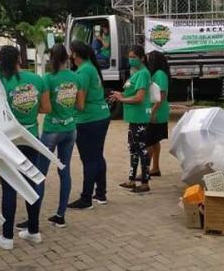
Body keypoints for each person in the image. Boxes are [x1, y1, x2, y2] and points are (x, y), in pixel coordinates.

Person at [0, 45, 49, 250]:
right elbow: (46, 108)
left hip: (7, 140)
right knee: (30, 183)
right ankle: (34, 231)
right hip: (31, 138)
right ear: (19, 58)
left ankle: (7, 237)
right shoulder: (36, 80)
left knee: (9, 187)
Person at [33, 43, 79, 228]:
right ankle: (60, 215)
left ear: (51, 58)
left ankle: (33, 218)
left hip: (52, 129)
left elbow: (45, 106)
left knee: (40, 174)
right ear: (66, 58)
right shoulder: (75, 77)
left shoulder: (48, 79)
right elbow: (77, 103)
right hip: (70, 128)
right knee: (65, 171)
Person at [66, 41, 111, 209]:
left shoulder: (83, 71)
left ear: (75, 54)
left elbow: (81, 104)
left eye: (71, 53)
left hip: (88, 120)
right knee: (97, 156)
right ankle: (101, 193)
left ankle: (86, 198)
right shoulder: (91, 67)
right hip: (101, 115)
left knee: (89, 159)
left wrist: (65, 104)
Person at [111, 45, 153, 193]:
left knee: (141, 149)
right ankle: (131, 179)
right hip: (133, 118)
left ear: (142, 58)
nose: (131, 60)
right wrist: (120, 95)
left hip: (140, 117)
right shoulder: (137, 73)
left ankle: (145, 182)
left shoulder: (143, 74)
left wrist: (122, 100)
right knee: (133, 148)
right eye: (129, 57)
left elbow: (139, 98)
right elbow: (131, 93)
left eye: (134, 57)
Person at [145, 50, 170, 178]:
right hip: (157, 111)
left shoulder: (159, 74)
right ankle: (155, 168)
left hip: (156, 113)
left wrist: (152, 111)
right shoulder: (158, 74)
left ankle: (146, 170)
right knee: (154, 141)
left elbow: (161, 95)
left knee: (148, 141)